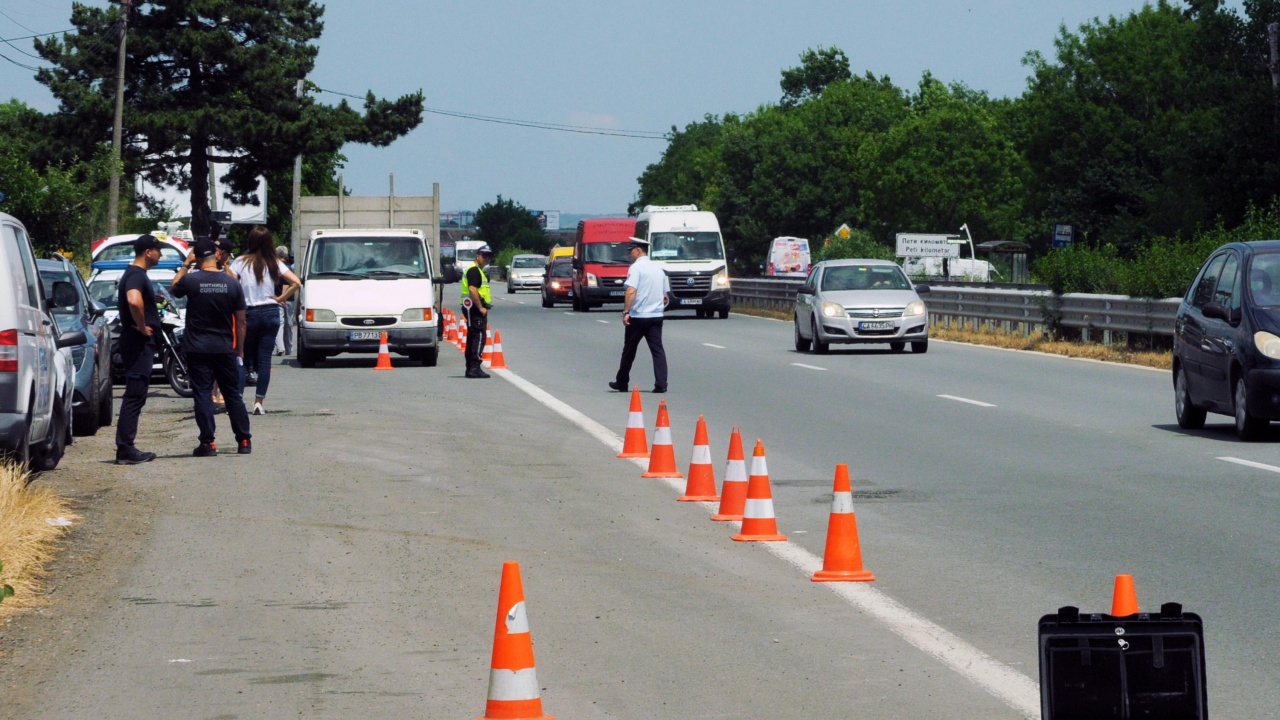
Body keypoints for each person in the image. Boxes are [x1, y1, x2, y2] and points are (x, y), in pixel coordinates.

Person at [170, 238, 252, 456]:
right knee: (232, 394)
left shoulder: (191, 280)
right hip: (224, 346)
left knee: (203, 395)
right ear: (216, 256)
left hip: (198, 348)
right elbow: (241, 321)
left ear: (197, 257)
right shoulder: (232, 283)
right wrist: (240, 348)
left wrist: (186, 265)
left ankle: (208, 443)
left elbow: (173, 288)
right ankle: (244, 440)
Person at [228, 226, 301, 414]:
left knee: (242, 357)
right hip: (270, 312)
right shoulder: (274, 262)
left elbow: (230, 282)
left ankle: (237, 402)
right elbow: (296, 282)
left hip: (248, 313)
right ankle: (259, 402)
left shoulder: (240, 262)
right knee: (265, 360)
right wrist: (280, 299)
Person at [114, 234, 164, 464]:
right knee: (135, 394)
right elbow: (134, 300)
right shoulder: (136, 274)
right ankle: (125, 448)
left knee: (137, 393)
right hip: (136, 342)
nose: (160, 254)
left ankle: (126, 446)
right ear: (148, 252)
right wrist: (143, 327)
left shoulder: (136, 274)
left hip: (136, 341)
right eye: (158, 250)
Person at [609, 237, 671, 394]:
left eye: (631, 251)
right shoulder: (659, 269)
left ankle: (622, 382)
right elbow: (665, 296)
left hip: (638, 316)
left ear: (638, 251)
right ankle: (661, 383)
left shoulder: (636, 268)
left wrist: (626, 312)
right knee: (657, 350)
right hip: (656, 316)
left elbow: (631, 291)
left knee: (629, 350)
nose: (630, 254)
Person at [461, 244, 495, 378]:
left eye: (489, 256)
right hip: (475, 309)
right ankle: (474, 367)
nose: (487, 258)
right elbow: (472, 289)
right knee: (478, 337)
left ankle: (470, 367)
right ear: (477, 256)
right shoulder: (474, 270)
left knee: (473, 336)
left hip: (472, 308)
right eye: (484, 255)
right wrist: (481, 307)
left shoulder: (477, 270)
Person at [274, 245, 296, 356]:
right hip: (290, 299)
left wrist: (281, 297)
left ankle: (280, 347)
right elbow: (289, 283)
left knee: (280, 323)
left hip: (278, 298)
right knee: (289, 324)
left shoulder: (274, 267)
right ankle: (288, 348)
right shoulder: (289, 267)